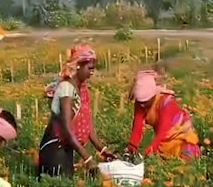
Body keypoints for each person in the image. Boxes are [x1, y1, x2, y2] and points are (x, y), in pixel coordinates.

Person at [38, 44, 114, 178]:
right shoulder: (66, 89)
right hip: (55, 147)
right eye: (89, 68)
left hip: (66, 148)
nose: (92, 72)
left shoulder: (82, 89)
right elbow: (66, 128)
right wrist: (87, 158)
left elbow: (88, 127)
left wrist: (102, 150)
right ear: (78, 65)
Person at [126, 67, 200, 160]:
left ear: (153, 95)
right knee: (164, 154)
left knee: (186, 154)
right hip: (164, 140)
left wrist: (151, 148)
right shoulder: (140, 104)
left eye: (146, 102)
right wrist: (132, 146)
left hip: (181, 135)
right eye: (140, 102)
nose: (143, 105)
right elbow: (137, 125)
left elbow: (164, 130)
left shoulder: (165, 103)